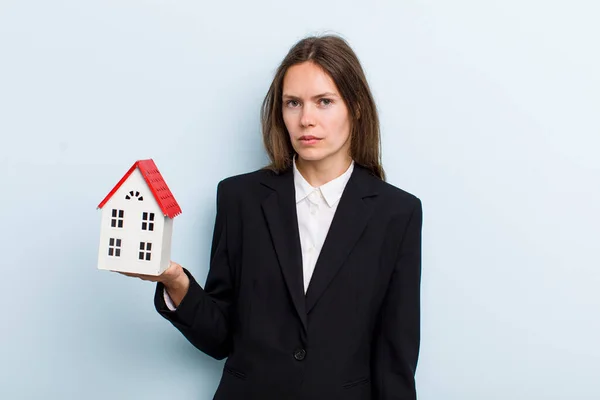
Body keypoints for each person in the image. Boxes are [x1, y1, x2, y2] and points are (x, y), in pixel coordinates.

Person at [121, 34, 423, 400]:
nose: (306, 119)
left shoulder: (397, 213)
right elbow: (220, 337)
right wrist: (175, 281)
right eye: (293, 103)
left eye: (324, 102)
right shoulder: (239, 199)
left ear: (356, 107)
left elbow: (395, 358)